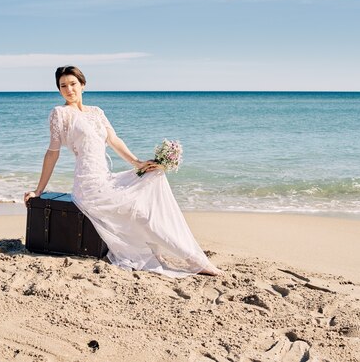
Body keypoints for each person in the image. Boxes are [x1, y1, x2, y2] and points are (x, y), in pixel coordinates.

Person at [24, 66, 222, 277]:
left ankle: (187, 255)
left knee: (154, 175)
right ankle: (194, 260)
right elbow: (52, 153)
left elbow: (114, 141)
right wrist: (38, 191)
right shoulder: (60, 114)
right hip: (88, 186)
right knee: (140, 214)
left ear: (83, 85)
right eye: (63, 86)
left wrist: (137, 163)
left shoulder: (97, 112)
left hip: (106, 179)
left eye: (73, 84)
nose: (68, 89)